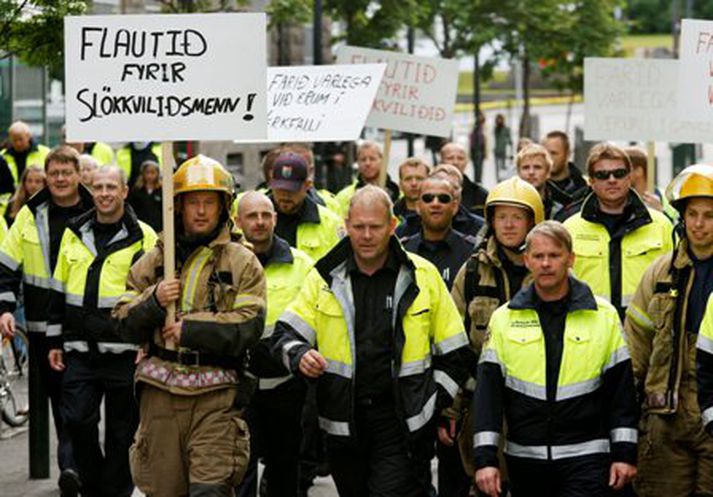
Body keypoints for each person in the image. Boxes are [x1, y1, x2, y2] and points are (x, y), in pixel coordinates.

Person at [273, 185, 471, 497]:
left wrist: (433, 405)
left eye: (375, 227)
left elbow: (456, 353)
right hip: (342, 422)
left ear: (392, 226)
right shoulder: (324, 278)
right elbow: (285, 335)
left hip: (400, 422)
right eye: (359, 227)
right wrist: (299, 355)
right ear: (346, 226)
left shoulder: (423, 276)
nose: (366, 235)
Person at [112, 154, 265, 497]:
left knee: (210, 491)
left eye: (208, 202)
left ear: (223, 206)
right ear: (178, 206)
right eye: (192, 201)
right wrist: (152, 301)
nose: (200, 211)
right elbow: (121, 320)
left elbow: (250, 325)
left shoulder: (243, 262)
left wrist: (192, 329)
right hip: (160, 397)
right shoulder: (155, 259)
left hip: (217, 399)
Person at [473, 221, 639, 497]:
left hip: (587, 457)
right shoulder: (504, 318)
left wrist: (624, 453)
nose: (546, 263)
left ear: (571, 259)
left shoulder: (603, 316)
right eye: (538, 256)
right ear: (527, 260)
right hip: (526, 460)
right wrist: (485, 460)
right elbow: (488, 395)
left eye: (554, 255)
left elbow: (621, 393)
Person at [47, 165, 157, 497]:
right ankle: (92, 485)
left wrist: (148, 341)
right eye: (98, 187)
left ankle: (116, 491)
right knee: (78, 421)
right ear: (90, 191)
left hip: (126, 353)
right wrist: (54, 339)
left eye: (112, 186)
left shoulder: (145, 236)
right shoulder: (74, 232)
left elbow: (153, 293)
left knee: (123, 433)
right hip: (80, 350)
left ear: (124, 191)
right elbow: (58, 288)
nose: (105, 193)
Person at [0, 145, 94, 497]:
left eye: (65, 172)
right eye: (53, 173)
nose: (58, 179)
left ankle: (81, 466)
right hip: (42, 328)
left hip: (85, 324)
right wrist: (6, 308)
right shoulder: (30, 213)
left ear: (77, 175)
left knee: (82, 404)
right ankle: (72, 467)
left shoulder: (95, 207)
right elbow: (7, 266)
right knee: (63, 402)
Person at [447, 177, 544, 495]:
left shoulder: (549, 269)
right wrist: (451, 409)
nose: (509, 225)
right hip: (482, 403)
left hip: (539, 404)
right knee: (487, 483)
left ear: (533, 221)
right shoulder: (473, 271)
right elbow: (454, 343)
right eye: (501, 217)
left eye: (517, 217)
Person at [625, 164, 713, 496]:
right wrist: (626, 414)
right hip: (665, 422)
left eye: (709, 215)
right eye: (693, 214)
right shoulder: (660, 274)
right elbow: (637, 343)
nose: (699, 224)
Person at [235, 191, 313, 497]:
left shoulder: (301, 264)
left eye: (266, 215)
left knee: (285, 469)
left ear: (275, 219)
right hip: (238, 385)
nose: (260, 222)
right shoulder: (224, 263)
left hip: (287, 387)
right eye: (252, 216)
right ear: (237, 221)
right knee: (240, 469)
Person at [563, 143, 673, 320]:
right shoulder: (570, 229)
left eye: (619, 173)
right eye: (602, 175)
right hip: (589, 332)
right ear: (591, 181)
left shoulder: (660, 225)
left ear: (629, 178)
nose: (612, 179)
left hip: (645, 332)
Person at [401, 174, 476, 289]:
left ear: (455, 207)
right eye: (428, 198)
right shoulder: (403, 252)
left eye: (443, 199)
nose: (435, 204)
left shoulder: (473, 252)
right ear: (418, 206)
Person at [269, 151, 343, 262]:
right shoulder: (255, 217)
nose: (285, 195)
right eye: (280, 189)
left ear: (308, 185)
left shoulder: (330, 224)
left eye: (292, 189)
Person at [396, 164, 485, 239]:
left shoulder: (479, 228)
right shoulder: (406, 229)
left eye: (454, 187)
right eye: (441, 186)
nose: (449, 191)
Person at [335, 141, 400, 217]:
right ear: (358, 162)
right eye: (363, 159)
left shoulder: (397, 194)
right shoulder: (343, 197)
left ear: (382, 161)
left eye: (372, 159)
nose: (367, 163)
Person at [516, 144, 573, 220]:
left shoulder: (564, 206)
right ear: (519, 172)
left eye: (537, 167)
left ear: (548, 172)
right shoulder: (506, 201)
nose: (531, 172)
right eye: (525, 168)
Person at [0, 120, 51, 194]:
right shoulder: (2, 156)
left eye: (20, 139)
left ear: (28, 136)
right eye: (14, 140)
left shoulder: (45, 152)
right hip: (10, 200)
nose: (18, 143)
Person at [440, 142, 489, 217]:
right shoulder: (430, 193)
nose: (455, 162)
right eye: (450, 158)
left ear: (466, 161)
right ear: (441, 161)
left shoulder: (480, 195)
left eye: (460, 158)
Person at [542, 131, 587, 200]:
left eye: (553, 153)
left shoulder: (583, 188)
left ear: (568, 154)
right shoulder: (535, 185)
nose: (548, 158)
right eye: (544, 153)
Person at [128, 160, 163, 232]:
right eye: (147, 172)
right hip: (141, 227)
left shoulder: (161, 190)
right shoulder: (137, 190)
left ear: (157, 174)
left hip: (158, 228)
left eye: (153, 173)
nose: (150, 176)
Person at [493, 114, 512, 181]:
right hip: (497, 151)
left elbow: (510, 141)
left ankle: (504, 181)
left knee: (504, 168)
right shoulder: (496, 129)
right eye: (498, 119)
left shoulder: (506, 129)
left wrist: (510, 152)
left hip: (504, 152)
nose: (499, 121)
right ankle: (498, 181)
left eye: (500, 119)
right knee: (497, 169)